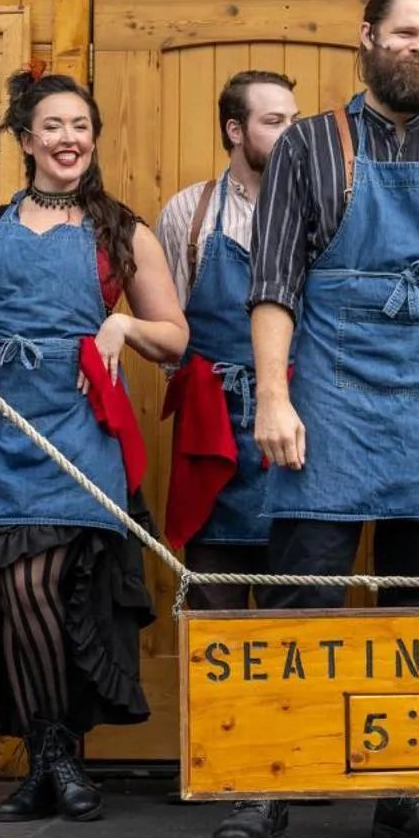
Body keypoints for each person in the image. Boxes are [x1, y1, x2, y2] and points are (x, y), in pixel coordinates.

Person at [212, 0, 419, 838]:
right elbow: (270, 281)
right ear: (367, 38)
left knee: (413, 606)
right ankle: (268, 786)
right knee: (303, 597)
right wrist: (273, 395)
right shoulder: (310, 144)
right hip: (331, 402)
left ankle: (405, 793)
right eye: (406, 32)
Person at [0, 68, 189, 823]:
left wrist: (125, 326)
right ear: (26, 140)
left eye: (81, 127)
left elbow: (176, 339)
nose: (70, 140)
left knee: (43, 584)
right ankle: (51, 761)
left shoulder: (122, 230)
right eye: (54, 127)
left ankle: (54, 757)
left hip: (79, 430)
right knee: (9, 592)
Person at [155, 70, 301, 607]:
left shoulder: (319, 212)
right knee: (212, 610)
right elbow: (172, 332)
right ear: (235, 130)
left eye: (294, 120)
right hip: (213, 434)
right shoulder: (188, 215)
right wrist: (205, 395)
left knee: (298, 606)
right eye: (274, 121)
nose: (290, 133)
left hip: (297, 428)